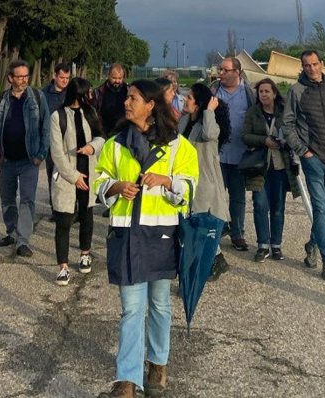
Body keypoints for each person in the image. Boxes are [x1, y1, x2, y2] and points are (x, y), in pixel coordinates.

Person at [93, 79, 199, 398]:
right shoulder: (115, 144)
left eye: (134, 98)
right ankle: (127, 378)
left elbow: (190, 187)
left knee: (160, 305)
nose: (127, 102)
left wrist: (168, 181)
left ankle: (157, 364)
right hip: (126, 235)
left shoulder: (178, 145)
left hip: (162, 236)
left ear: (151, 105)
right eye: (127, 97)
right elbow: (100, 180)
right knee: (131, 309)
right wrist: (115, 187)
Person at [282, 49, 325, 282]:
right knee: (320, 209)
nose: (311, 69)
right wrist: (304, 151)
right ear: (302, 67)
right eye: (306, 65)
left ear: (322, 64)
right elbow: (287, 125)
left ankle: (312, 243)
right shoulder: (296, 92)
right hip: (314, 159)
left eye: (314, 64)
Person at [50, 77, 104, 285]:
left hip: (88, 171)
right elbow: (57, 152)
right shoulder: (58, 116)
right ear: (78, 93)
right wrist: (73, 176)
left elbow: (101, 136)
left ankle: (84, 253)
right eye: (87, 92)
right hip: (67, 175)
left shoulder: (90, 112)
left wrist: (93, 147)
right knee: (63, 220)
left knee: (86, 215)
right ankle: (63, 266)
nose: (90, 96)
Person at [0, 59, 50, 258]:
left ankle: (23, 240)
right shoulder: (1, 99)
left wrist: (41, 154)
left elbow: (46, 127)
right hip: (6, 160)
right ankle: (11, 232)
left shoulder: (37, 97)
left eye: (26, 76)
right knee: (7, 200)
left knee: (27, 200)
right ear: (10, 78)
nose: (24, 80)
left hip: (29, 160)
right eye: (20, 76)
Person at [179, 81, 231, 279]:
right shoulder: (184, 121)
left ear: (198, 103)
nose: (185, 99)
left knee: (201, 223)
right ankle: (214, 259)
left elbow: (210, 135)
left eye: (190, 97)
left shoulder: (207, 124)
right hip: (185, 178)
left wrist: (210, 110)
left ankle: (214, 260)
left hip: (203, 180)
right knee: (192, 224)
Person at [242, 78, 289, 262]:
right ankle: (263, 244)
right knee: (260, 205)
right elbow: (244, 135)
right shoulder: (253, 112)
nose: (263, 95)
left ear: (274, 93)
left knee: (278, 207)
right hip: (259, 166)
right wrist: (264, 141)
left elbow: (292, 132)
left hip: (280, 166)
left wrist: (283, 141)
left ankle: (276, 244)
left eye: (267, 91)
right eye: (261, 92)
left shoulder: (284, 112)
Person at [211, 56, 255, 250]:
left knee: (238, 197)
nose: (220, 73)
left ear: (237, 72)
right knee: (216, 196)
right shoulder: (213, 91)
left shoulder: (249, 93)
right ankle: (217, 229)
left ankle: (237, 233)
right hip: (217, 155)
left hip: (240, 154)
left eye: (225, 70)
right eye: (220, 69)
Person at [42, 62, 72, 219]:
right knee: (53, 175)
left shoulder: (72, 92)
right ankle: (55, 209)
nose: (65, 81)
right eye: (62, 77)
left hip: (70, 142)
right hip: (51, 143)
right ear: (54, 76)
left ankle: (71, 209)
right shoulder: (43, 94)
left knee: (70, 174)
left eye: (67, 78)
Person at [93, 63, 129, 138]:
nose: (117, 81)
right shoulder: (98, 92)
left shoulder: (129, 91)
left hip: (124, 130)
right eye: (114, 78)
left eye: (120, 78)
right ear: (108, 76)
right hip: (105, 131)